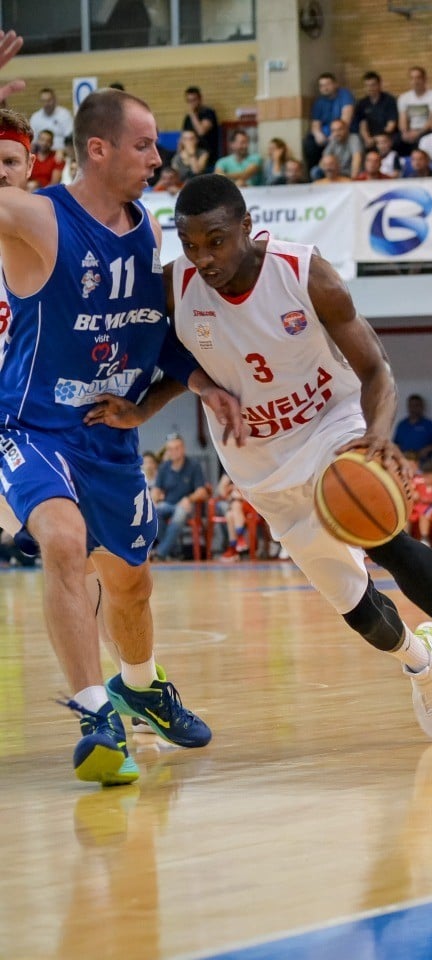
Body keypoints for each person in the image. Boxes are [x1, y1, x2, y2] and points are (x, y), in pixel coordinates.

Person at [110, 175, 432, 746]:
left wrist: (376, 435)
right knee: (362, 613)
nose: (204, 257)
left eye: (217, 241)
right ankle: (422, 663)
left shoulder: (306, 274)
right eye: (191, 244)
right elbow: (170, 357)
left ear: (247, 229)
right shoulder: (176, 288)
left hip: (331, 427)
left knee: (384, 536)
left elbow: (376, 370)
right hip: (260, 466)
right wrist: (146, 407)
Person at [0, 39, 244, 786]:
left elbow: (155, 332)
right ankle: (94, 713)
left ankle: (139, 684)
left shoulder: (150, 229)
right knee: (63, 542)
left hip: (106, 436)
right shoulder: (37, 220)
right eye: (144, 144)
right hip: (31, 428)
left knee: (132, 585)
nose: (157, 154)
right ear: (97, 149)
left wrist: (198, 383)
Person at [151, 434, 208, 561]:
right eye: (171, 449)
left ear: (183, 448)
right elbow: (156, 489)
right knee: (153, 512)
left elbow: (202, 491)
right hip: (168, 504)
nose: (174, 451)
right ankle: (174, 550)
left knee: (180, 513)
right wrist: (153, 500)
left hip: (187, 506)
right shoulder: (164, 467)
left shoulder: (194, 465)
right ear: (167, 451)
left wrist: (189, 499)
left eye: (177, 447)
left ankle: (160, 553)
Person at [303, 72, 356, 171]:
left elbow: (346, 117)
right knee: (309, 143)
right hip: (325, 136)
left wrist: (335, 133)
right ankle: (316, 173)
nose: (325, 88)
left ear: (335, 84)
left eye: (327, 84)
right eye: (321, 86)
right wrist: (318, 135)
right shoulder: (319, 102)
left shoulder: (344, 94)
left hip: (341, 131)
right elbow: (315, 124)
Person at [396, 66, 432, 154]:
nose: (415, 81)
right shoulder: (404, 97)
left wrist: (418, 133)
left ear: (424, 79)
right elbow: (402, 118)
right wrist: (405, 132)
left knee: (421, 140)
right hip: (410, 130)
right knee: (396, 142)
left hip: (427, 130)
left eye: (418, 78)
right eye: (412, 78)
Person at [393, 394, 432, 467]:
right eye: (411, 406)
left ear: (421, 407)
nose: (413, 409)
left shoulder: (429, 425)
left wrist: (427, 449)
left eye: (416, 406)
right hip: (404, 464)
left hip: (424, 465)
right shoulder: (402, 425)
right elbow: (395, 443)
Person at [354, 71, 399, 151]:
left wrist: (378, 138)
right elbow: (362, 125)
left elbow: (391, 125)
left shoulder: (389, 100)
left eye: (373, 85)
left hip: (387, 135)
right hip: (370, 137)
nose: (370, 88)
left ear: (379, 85)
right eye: (367, 86)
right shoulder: (362, 103)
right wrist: (367, 138)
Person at [181, 86, 219, 168]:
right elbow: (183, 137)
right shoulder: (188, 118)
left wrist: (192, 113)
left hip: (207, 152)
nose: (192, 103)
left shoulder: (208, 113)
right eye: (189, 101)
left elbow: (201, 131)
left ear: (200, 99)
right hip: (191, 151)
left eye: (194, 100)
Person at [29, 86, 73, 151]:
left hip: (61, 153)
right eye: (43, 101)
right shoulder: (35, 117)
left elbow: (69, 140)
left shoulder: (65, 115)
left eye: (49, 100)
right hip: (41, 154)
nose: (46, 104)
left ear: (55, 100)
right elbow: (32, 141)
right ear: (40, 102)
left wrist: (63, 151)